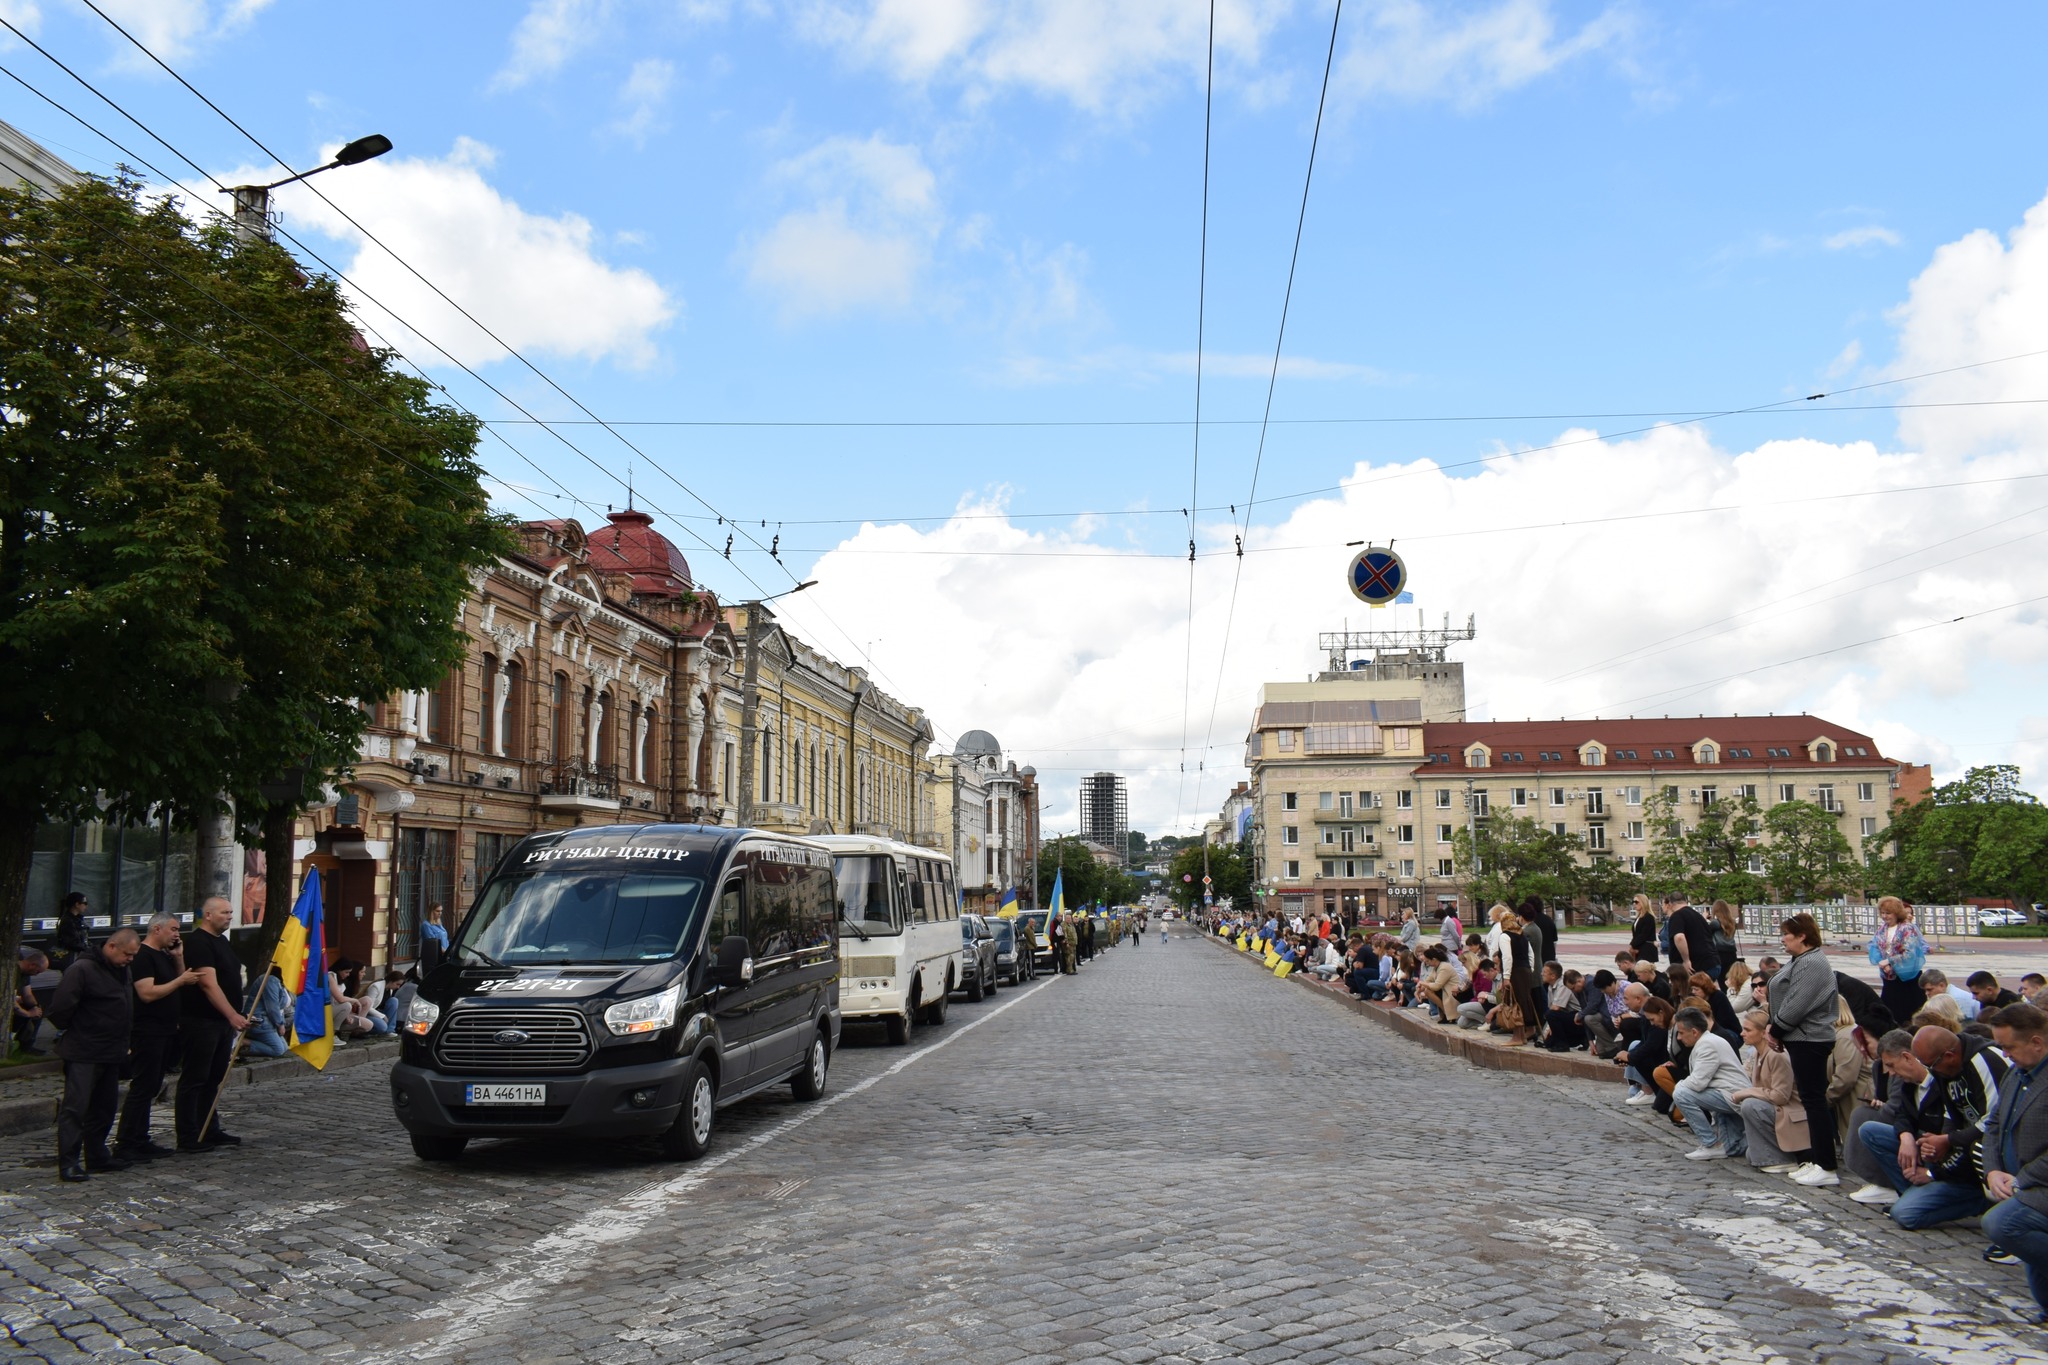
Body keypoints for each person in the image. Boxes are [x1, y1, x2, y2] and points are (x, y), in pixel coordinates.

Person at [48, 927, 140, 1182]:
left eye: (133, 956)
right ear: (111, 947)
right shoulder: (82, 970)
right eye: (128, 954)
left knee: (105, 1107)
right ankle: (69, 1161)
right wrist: (81, 1030)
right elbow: (60, 1009)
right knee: (76, 1108)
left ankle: (97, 1154)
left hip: (112, 1050)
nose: (130, 959)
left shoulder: (121, 969)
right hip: (84, 1050)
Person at [116, 913, 201, 1162]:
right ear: (156, 928)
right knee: (143, 1086)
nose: (177, 934)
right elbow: (147, 993)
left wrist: (178, 959)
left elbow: (179, 981)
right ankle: (127, 1142)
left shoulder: (164, 955)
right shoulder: (142, 956)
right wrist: (180, 980)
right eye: (173, 929)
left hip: (165, 1029)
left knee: (152, 1086)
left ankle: (141, 1138)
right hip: (147, 1030)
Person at [1982, 1003, 2048, 1322]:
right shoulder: (2017, 1072)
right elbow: (1994, 1124)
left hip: (2039, 1184)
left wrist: (2020, 1179)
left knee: (2002, 1224)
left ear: (2036, 1042)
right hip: (2018, 1180)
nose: (2005, 1055)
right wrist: (1993, 1168)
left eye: (2009, 1047)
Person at [1767, 912, 1843, 1187]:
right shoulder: (1800, 960)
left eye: (1786, 933)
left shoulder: (1812, 962)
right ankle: (1817, 1159)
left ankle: (1826, 1164)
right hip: (1800, 1037)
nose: (1782, 938)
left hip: (1810, 1038)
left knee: (1814, 1101)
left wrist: (1775, 1028)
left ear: (1802, 936)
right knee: (1810, 1100)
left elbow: (1798, 1002)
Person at [175, 895, 248, 1153]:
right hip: (202, 1020)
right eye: (224, 913)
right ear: (208, 915)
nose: (229, 916)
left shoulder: (223, 942)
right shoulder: (197, 941)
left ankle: (208, 1127)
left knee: (214, 1077)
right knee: (196, 1077)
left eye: (230, 912)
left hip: (220, 1023)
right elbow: (207, 983)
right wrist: (231, 1014)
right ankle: (188, 1135)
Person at [1732, 1009, 1808, 1173]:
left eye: (1748, 1030)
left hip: (1790, 1111)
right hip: (1776, 1108)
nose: (1742, 1033)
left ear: (1763, 1033)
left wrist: (1749, 1092)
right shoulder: (1757, 1054)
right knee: (1751, 1155)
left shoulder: (1777, 1055)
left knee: (1750, 1105)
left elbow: (1780, 1096)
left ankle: (1783, 1159)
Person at [1670, 1005, 1747, 1159]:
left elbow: (1697, 1083)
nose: (1678, 1038)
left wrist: (1678, 1086)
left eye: (1681, 1033)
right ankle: (1719, 1143)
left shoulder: (1707, 1044)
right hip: (1727, 1093)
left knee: (1681, 1094)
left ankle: (1711, 1144)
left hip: (1731, 1095)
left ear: (1694, 1032)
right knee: (1733, 1148)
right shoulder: (1708, 1040)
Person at [1867, 896, 1927, 1027]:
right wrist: (1882, 962)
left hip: (1906, 979)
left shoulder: (1907, 928)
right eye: (1882, 913)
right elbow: (1874, 946)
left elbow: (1910, 953)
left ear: (1896, 913)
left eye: (1888, 913)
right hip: (1889, 978)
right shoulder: (1882, 929)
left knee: (1907, 1014)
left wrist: (1890, 962)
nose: (1884, 916)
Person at [1665, 891, 1716, 983]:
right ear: (1685, 901)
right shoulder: (1697, 916)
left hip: (1696, 966)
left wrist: (1686, 960)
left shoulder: (1677, 916)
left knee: (1692, 995)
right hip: (1711, 961)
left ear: (1670, 904)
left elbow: (1679, 937)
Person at [244, 972, 293, 1058]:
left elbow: (280, 1008)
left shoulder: (280, 983)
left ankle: (255, 1042)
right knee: (278, 1050)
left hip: (270, 1023)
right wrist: (280, 1024)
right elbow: (272, 1007)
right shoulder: (270, 980)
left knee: (284, 1048)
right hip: (260, 1021)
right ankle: (244, 1042)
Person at [1542, 963, 1584, 1051]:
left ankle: (1562, 1045)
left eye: (1544, 972)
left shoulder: (1563, 985)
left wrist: (1548, 1028)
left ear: (1553, 976)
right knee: (1548, 1043)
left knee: (1551, 1015)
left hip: (1577, 1019)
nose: (1542, 974)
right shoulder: (1550, 986)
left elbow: (1556, 1008)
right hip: (1566, 1017)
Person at [54, 890, 92, 969]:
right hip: (71, 958)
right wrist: (87, 949)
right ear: (77, 904)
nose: (86, 906)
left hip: (77, 957)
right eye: (84, 903)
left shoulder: (77, 919)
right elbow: (71, 941)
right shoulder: (68, 921)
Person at [1629, 893, 1659, 964]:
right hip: (1639, 949)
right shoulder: (1638, 917)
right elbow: (1636, 934)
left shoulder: (1648, 917)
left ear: (1643, 902)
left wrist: (1632, 944)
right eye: (1633, 902)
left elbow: (1644, 935)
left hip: (1647, 950)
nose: (1634, 904)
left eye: (1636, 902)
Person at [419, 903, 449, 975]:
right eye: (437, 911)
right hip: (435, 957)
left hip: (445, 956)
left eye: (441, 911)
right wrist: (446, 952)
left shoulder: (439, 924)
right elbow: (432, 942)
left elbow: (445, 939)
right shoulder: (426, 925)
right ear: (432, 911)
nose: (440, 913)